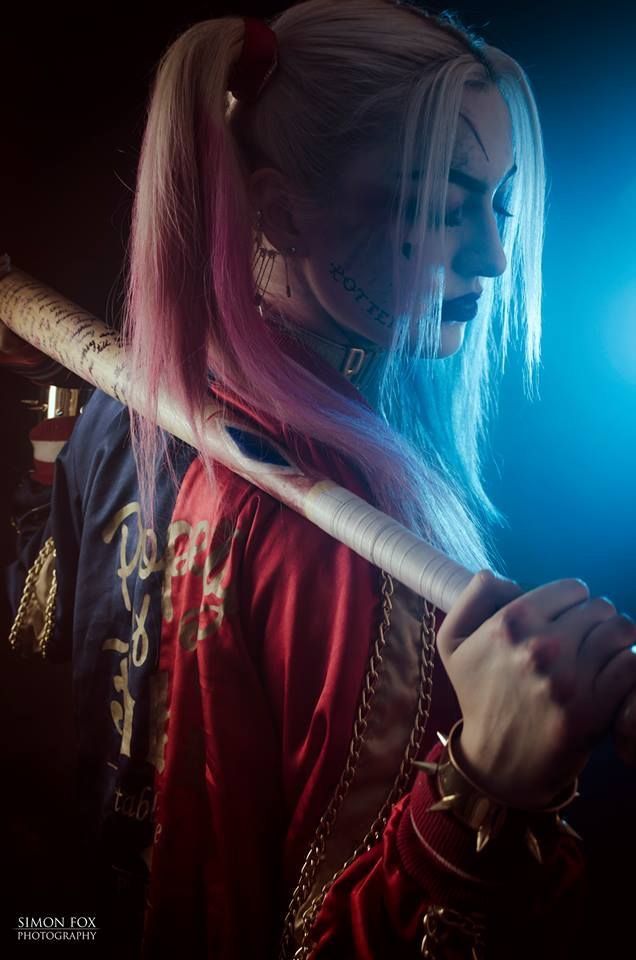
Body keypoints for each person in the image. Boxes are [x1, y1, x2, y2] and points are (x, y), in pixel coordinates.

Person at [3, 2, 636, 957]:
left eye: (500, 202)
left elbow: (42, 603)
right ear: (280, 210)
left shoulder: (111, 416)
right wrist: (483, 788)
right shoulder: (344, 550)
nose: (495, 256)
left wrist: (40, 425)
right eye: (437, 202)